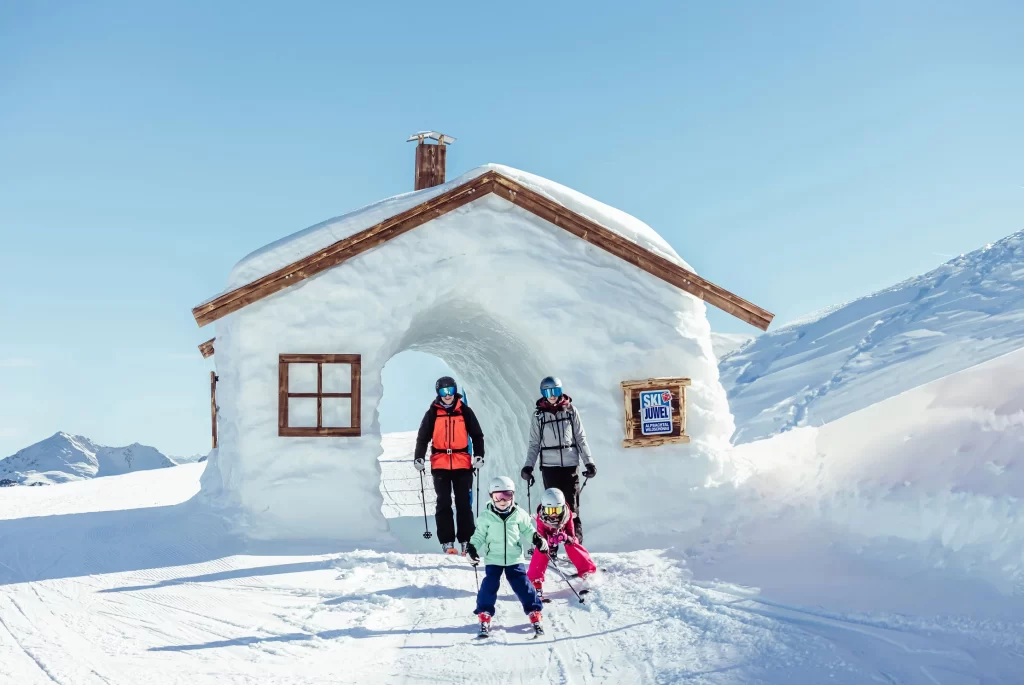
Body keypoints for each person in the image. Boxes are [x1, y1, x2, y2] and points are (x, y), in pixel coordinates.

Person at [520, 376, 596, 549]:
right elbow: (534, 444)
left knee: (572, 508)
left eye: (555, 391)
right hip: (549, 467)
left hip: (570, 465)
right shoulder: (539, 416)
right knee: (551, 508)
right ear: (543, 393)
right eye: (548, 392)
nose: (552, 395)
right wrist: (528, 466)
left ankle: (575, 546)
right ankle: (550, 547)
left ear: (560, 391)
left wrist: (589, 462)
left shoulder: (570, 411)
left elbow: (580, 438)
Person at [466, 476, 546, 636]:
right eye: (498, 497)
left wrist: (537, 539)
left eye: (507, 496)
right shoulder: (486, 516)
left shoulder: (519, 514)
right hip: (493, 559)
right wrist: (472, 548)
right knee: (489, 586)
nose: (502, 501)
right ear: (491, 497)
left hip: (514, 558)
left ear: (513, 496)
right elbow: (479, 536)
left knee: (523, 585)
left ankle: (534, 611)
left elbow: (528, 530)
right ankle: (484, 613)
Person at [414, 376, 485, 555]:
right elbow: (423, 438)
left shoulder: (465, 411)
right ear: (438, 393)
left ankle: (466, 540)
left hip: (462, 463)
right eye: (443, 392)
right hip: (440, 464)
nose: (447, 395)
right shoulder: (432, 413)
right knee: (443, 502)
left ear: (455, 392)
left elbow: (477, 435)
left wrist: (479, 455)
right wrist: (419, 457)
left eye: (450, 391)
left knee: (463, 503)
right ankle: (447, 541)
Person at [527, 488, 597, 599]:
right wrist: (547, 541)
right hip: (548, 538)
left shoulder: (567, 515)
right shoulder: (541, 518)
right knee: (541, 549)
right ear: (545, 508)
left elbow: (572, 536)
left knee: (572, 545)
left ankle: (587, 571)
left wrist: (566, 538)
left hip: (562, 535)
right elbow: (541, 535)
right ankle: (535, 579)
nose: (554, 514)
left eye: (557, 510)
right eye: (550, 511)